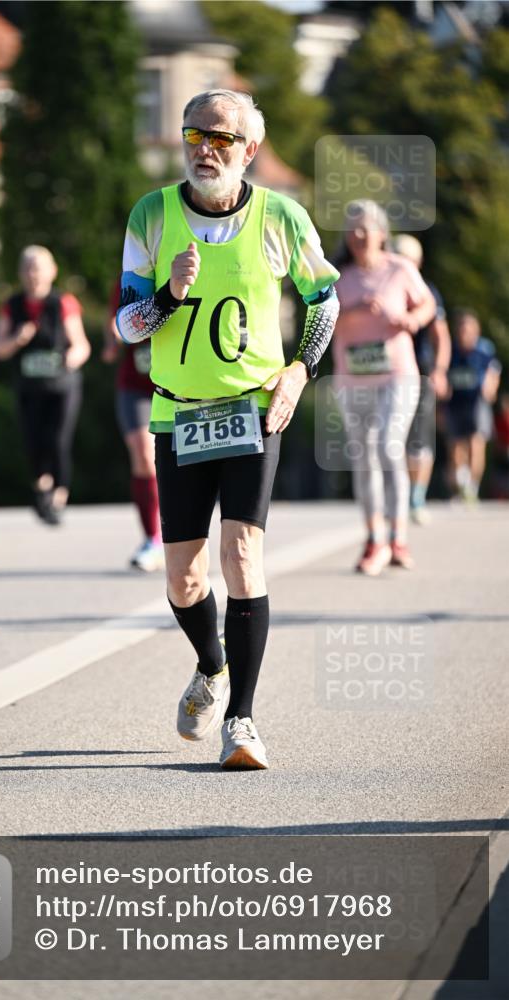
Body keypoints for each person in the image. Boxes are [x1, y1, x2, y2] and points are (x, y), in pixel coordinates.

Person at [116, 90, 340, 769]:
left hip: (251, 408)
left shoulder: (281, 217)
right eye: (194, 134)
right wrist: (165, 297)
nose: (203, 148)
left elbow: (322, 302)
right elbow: (126, 328)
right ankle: (210, 666)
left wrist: (298, 372)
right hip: (178, 410)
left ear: (248, 150)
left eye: (219, 137)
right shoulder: (151, 213)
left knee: (241, 555)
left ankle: (240, 720)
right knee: (183, 579)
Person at [332, 201, 436, 575]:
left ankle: (398, 536)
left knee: (388, 445)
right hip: (352, 378)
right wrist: (354, 307)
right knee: (364, 455)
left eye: (366, 228)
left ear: (381, 232)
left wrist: (408, 320)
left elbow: (427, 307)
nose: (359, 236)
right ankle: (374, 539)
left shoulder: (400, 269)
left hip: (397, 375)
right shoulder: (337, 277)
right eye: (353, 229)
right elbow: (321, 321)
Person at [0, 245, 90, 524]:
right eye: (28, 268)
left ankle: (58, 497)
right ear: (21, 273)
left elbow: (81, 345)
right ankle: (42, 488)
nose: (34, 274)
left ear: (52, 271)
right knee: (33, 442)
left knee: (58, 440)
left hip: (62, 386)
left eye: (39, 267)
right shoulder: (12, 305)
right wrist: (17, 340)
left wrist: (72, 357)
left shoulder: (64, 303)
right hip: (28, 388)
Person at [102, 278, 164, 572]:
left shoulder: (182, 271)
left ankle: (181, 531)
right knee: (143, 455)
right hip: (135, 387)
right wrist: (113, 338)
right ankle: (151, 538)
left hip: (178, 384)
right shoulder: (128, 278)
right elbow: (113, 320)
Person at [393, 234, 451, 525]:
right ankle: (399, 495)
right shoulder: (384, 286)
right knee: (394, 436)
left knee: (420, 436)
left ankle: (416, 497)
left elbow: (441, 335)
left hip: (421, 370)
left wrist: (440, 370)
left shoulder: (428, 291)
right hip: (388, 372)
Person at [446, 309, 501, 502]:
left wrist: (490, 387)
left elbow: (493, 371)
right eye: (461, 329)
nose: (464, 333)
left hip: (477, 401)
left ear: (475, 331)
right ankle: (460, 482)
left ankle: (473, 487)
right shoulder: (450, 350)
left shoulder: (484, 349)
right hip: (455, 403)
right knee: (455, 448)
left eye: (468, 329)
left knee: (476, 444)